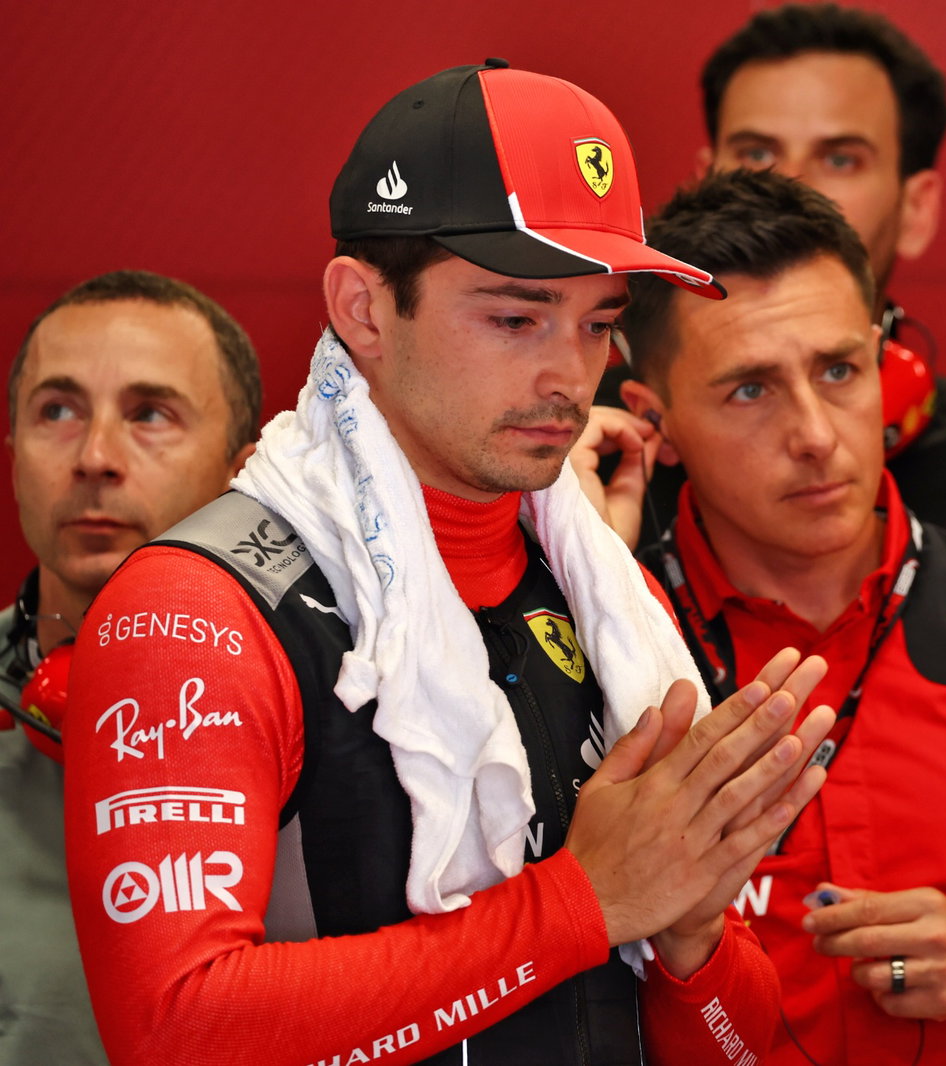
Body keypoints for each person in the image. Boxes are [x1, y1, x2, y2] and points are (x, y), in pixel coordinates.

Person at [62, 61, 835, 1066]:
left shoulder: (611, 594)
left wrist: (686, 932)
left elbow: (739, 1050)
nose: (568, 375)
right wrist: (585, 902)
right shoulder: (193, 611)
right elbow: (173, 1032)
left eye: (598, 325)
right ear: (364, 309)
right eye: (515, 318)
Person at [579, 167, 946, 1066]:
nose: (816, 434)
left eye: (840, 370)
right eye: (750, 390)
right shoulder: (595, 649)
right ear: (655, 423)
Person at [605, 1, 946, 650]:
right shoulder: (584, 463)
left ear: (916, 208)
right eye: (755, 152)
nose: (790, 186)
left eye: (841, 159)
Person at [2, 268, 261, 1066]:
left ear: (243, 472)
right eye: (58, 410)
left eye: (150, 414)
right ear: (12, 454)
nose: (94, 457)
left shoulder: (344, 709)